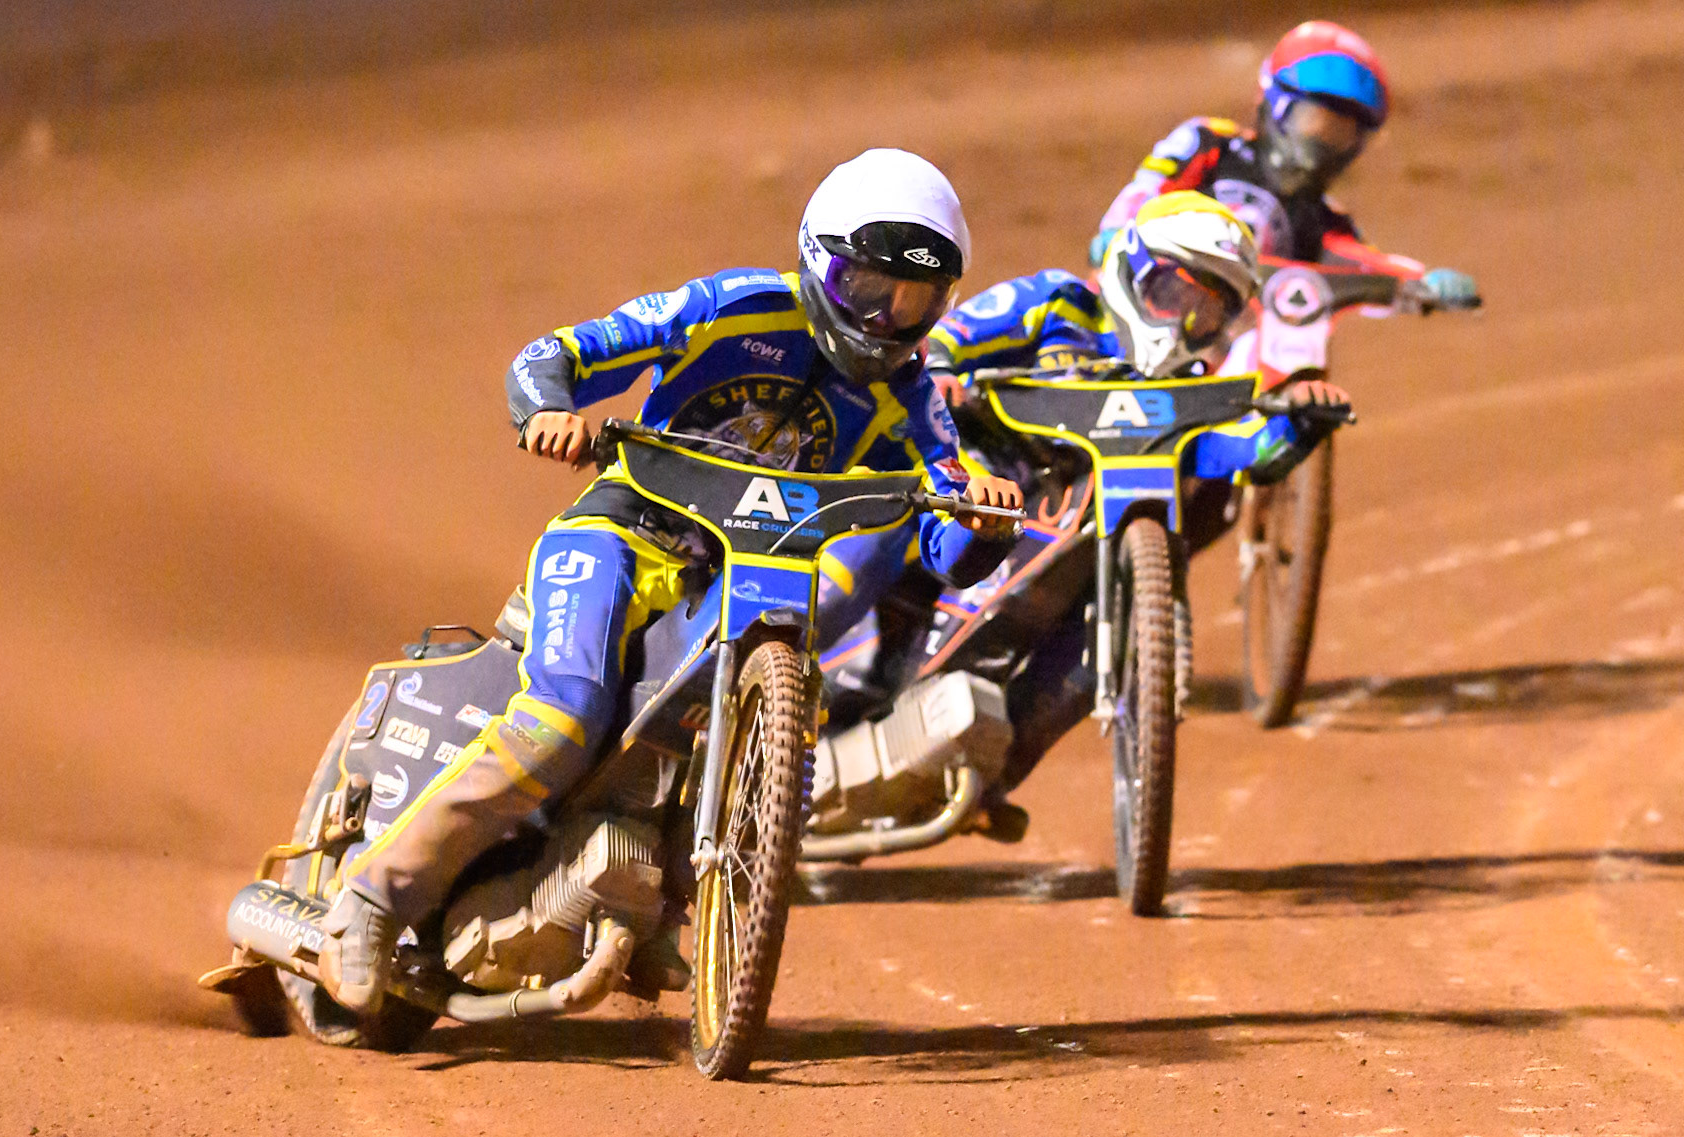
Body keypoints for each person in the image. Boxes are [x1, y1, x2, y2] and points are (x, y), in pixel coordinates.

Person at [318, 148, 1023, 1014]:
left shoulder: (914, 400)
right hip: (620, 533)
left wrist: (982, 523)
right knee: (564, 718)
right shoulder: (733, 307)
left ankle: (660, 899)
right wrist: (548, 411)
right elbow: (560, 352)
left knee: (733, 725)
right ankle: (370, 903)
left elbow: (947, 533)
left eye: (915, 301)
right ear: (816, 258)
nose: (887, 319)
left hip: (745, 574)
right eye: (869, 288)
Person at [923, 190, 1348, 830]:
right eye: (1174, 295)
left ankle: (988, 778)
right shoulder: (1058, 299)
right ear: (1132, 269)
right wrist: (942, 373)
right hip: (976, 486)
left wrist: (1300, 426)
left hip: (1083, 529)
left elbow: (1234, 454)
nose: (1182, 324)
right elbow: (945, 340)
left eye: (1206, 313)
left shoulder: (1183, 388)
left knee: (1101, 652)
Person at [1091, 20, 1480, 314]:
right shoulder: (1210, 145)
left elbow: (1367, 271)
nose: (1323, 143)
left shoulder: (1324, 223)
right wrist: (1118, 232)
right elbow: (1146, 191)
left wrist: (1420, 281)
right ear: (1276, 104)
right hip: (1130, 310)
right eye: (1315, 121)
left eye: (1341, 132)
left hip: (1215, 358)